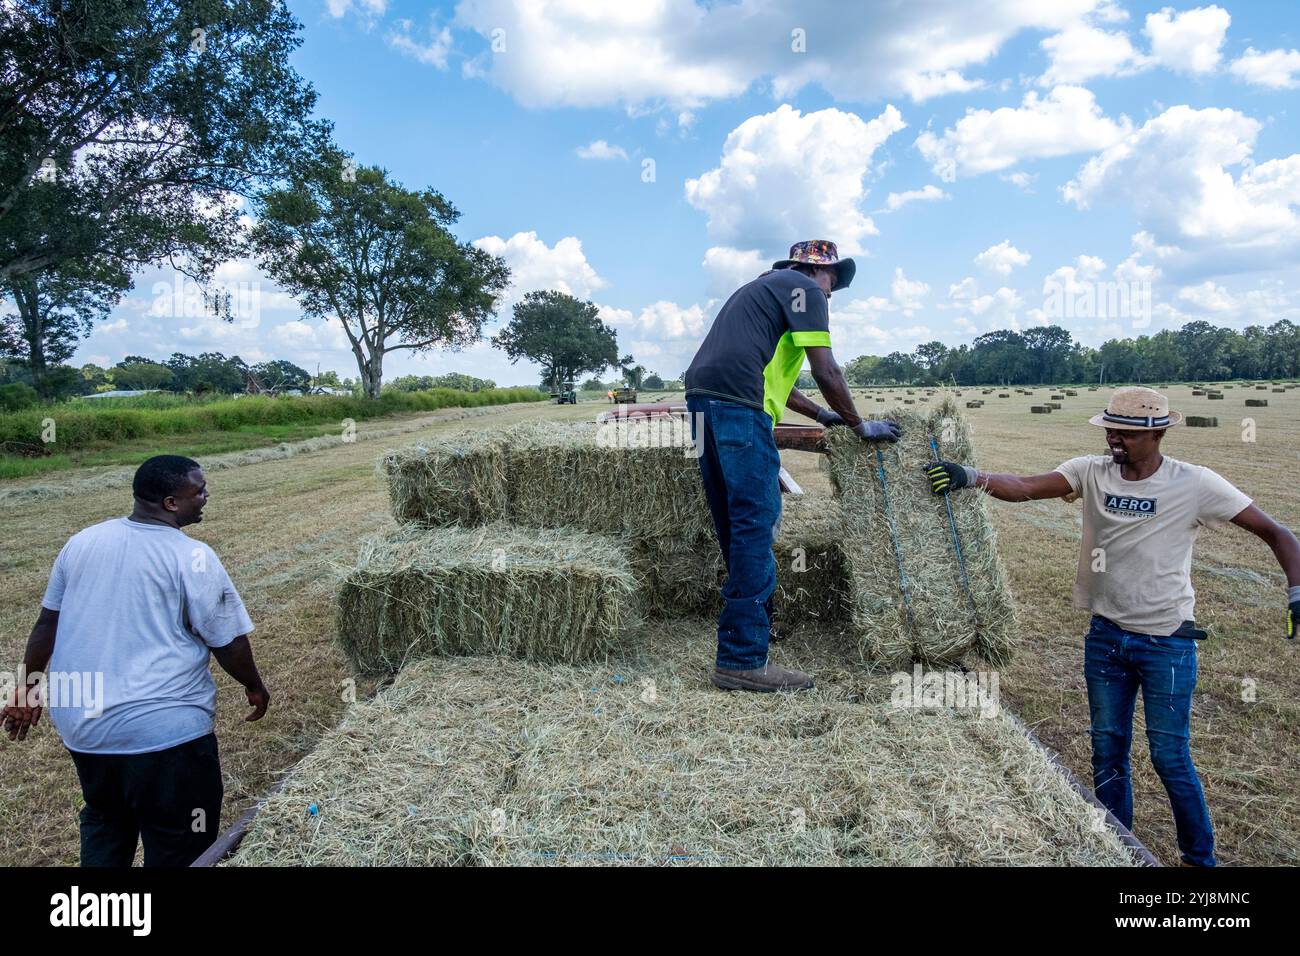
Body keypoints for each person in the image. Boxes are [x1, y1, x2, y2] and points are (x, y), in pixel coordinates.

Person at [924, 386, 1300, 866]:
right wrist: (970, 476)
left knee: (1170, 759)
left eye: (1125, 434)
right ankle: (1117, 847)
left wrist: (1296, 592)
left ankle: (1198, 859)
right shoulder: (1090, 471)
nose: (1115, 440)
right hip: (1105, 639)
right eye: (1111, 430)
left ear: (1158, 433)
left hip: (1166, 642)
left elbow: (1277, 532)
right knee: (1107, 750)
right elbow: (1023, 487)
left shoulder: (1195, 483)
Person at [2, 455, 269, 866]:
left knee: (106, 824)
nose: (206, 495)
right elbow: (227, 640)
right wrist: (253, 684)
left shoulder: (83, 541)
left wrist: (28, 684)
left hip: (85, 728)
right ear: (170, 503)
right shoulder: (192, 556)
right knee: (182, 840)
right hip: (165, 734)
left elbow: (45, 626)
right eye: (198, 490)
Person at [684, 239, 901, 693]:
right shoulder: (804, 292)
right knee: (757, 522)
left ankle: (754, 625)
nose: (831, 292)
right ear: (813, 271)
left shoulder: (763, 290)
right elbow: (828, 370)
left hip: (704, 404)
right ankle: (742, 659)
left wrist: (822, 414)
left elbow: (770, 378)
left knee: (734, 523)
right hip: (740, 410)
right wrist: (861, 425)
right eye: (832, 280)